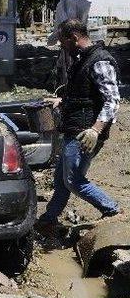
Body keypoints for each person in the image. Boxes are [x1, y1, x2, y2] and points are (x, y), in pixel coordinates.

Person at [37, 19, 122, 230]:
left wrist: (95, 130)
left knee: (73, 180)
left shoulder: (100, 61)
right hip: (74, 129)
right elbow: (85, 94)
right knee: (60, 180)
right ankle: (48, 221)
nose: (61, 45)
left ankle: (112, 209)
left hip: (85, 133)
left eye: (62, 41)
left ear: (73, 37)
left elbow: (113, 100)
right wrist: (62, 101)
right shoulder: (81, 59)